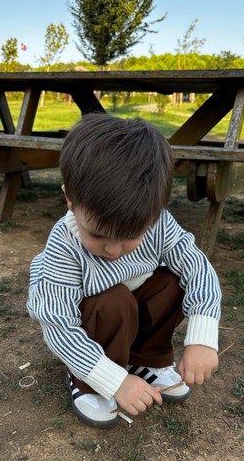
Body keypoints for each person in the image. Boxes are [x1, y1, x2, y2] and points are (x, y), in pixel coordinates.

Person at [27, 113, 222, 428]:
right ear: (70, 201)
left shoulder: (158, 223)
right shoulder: (62, 249)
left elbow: (198, 268)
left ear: (155, 212)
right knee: (112, 301)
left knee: (173, 282)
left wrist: (202, 336)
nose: (113, 251)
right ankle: (90, 379)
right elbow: (59, 325)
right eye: (98, 236)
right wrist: (114, 381)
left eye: (130, 236)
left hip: (132, 303)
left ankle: (145, 359)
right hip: (92, 317)